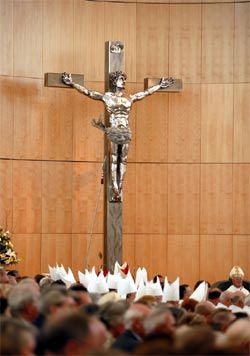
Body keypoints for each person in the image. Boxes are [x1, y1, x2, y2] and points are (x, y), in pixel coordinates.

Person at [62, 72, 174, 201]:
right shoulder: (107, 98)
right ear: (115, 82)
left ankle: (120, 187)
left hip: (125, 130)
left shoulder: (129, 99)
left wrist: (159, 86)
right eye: (121, 79)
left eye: (124, 80)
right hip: (115, 130)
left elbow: (145, 93)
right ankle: (115, 187)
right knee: (115, 159)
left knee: (124, 160)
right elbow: (88, 92)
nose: (124, 82)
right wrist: (73, 84)